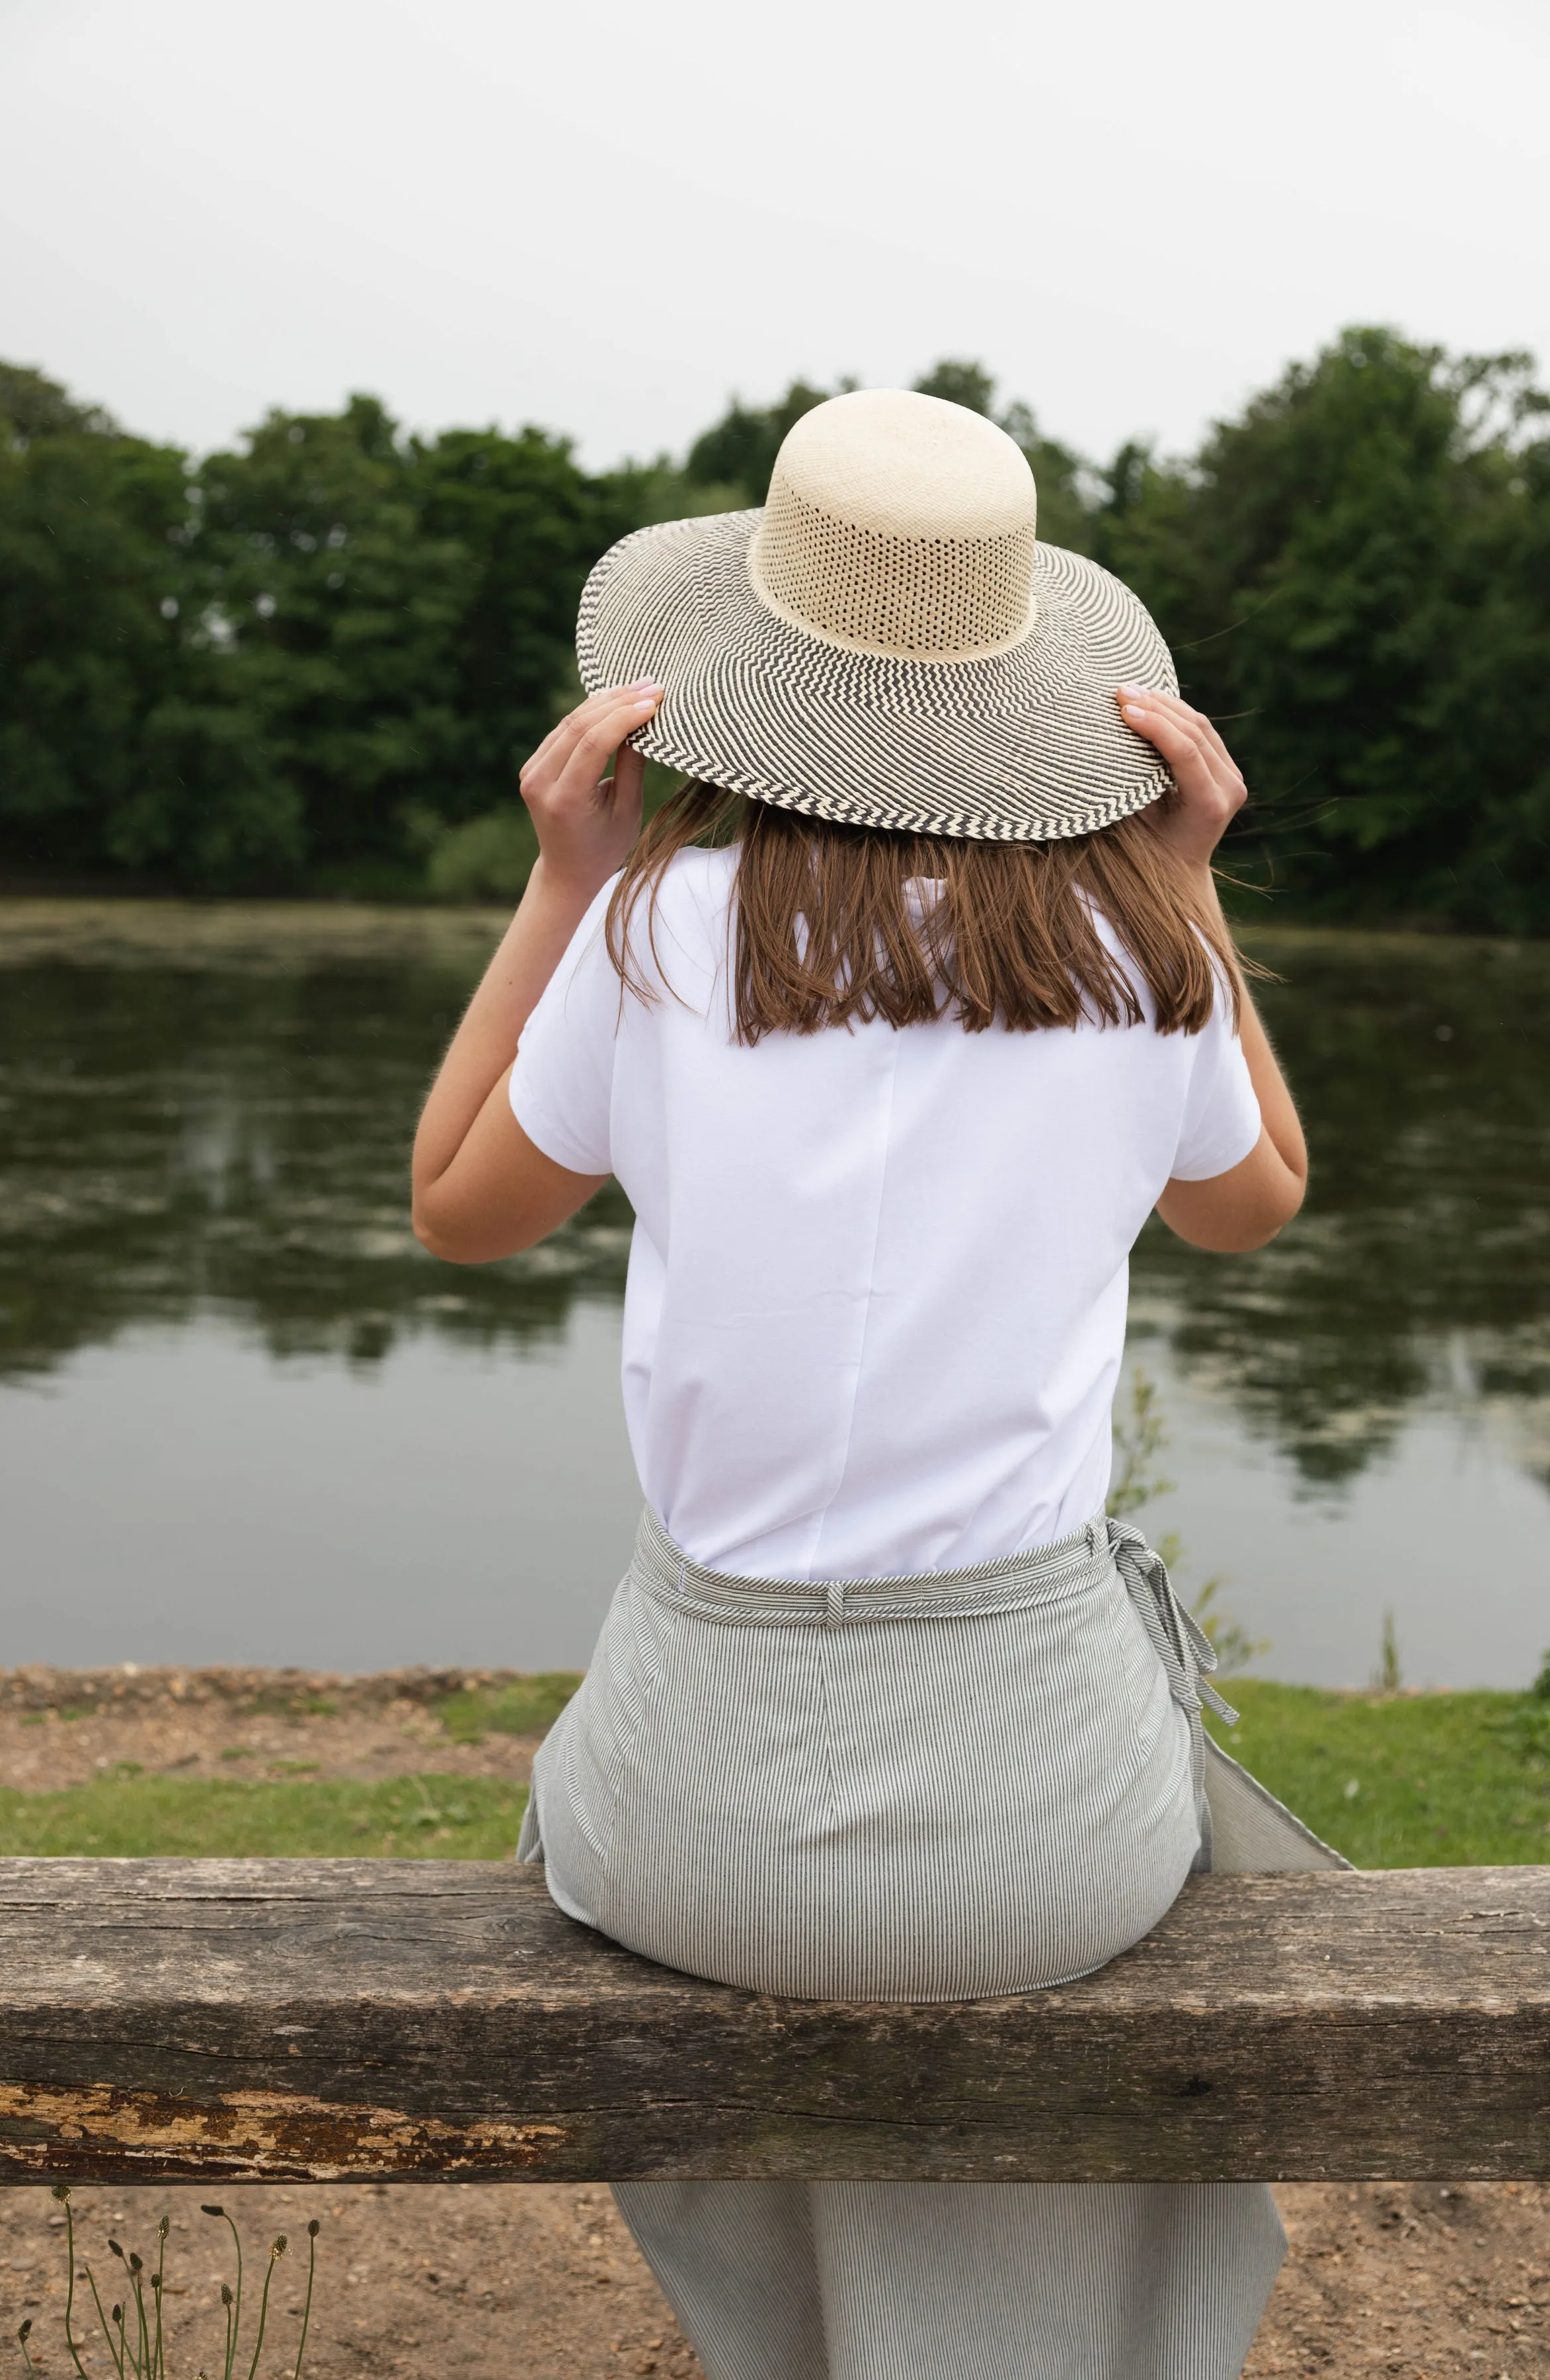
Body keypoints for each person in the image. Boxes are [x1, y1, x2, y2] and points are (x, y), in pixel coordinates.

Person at [412, 389, 1335, 2380]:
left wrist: (565, 879)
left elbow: (456, 1213)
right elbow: (1259, 1208)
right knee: (1141, 1837)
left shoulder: (659, 935)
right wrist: (1184, 887)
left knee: (680, 1863)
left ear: (756, 676)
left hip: (684, 1828)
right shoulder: (1130, 954)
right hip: (1044, 1851)